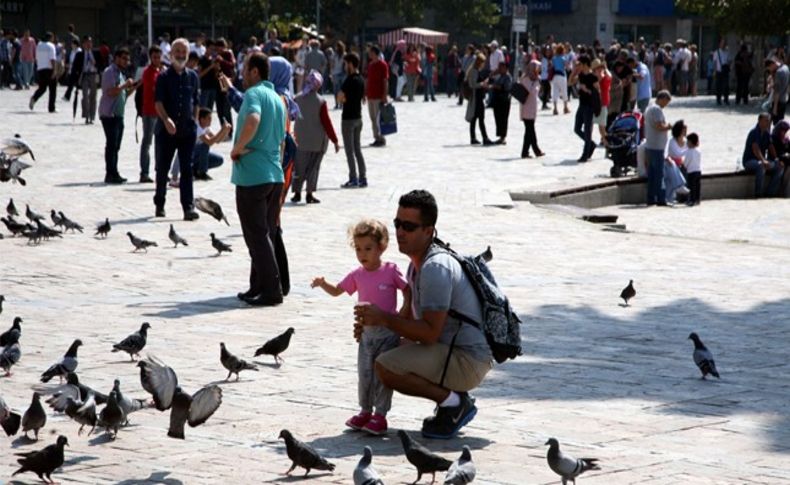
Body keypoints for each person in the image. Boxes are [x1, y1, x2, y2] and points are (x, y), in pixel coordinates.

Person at [353, 190, 493, 440]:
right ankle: (451, 401)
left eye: (409, 226)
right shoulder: (416, 264)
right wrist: (373, 329)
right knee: (383, 351)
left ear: (428, 231)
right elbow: (410, 327)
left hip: (467, 360)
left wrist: (383, 318)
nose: (400, 232)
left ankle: (455, 403)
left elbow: (429, 333)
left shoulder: (434, 269)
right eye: (397, 223)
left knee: (386, 366)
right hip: (452, 350)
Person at [312, 219, 410, 436]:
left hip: (388, 333)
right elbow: (338, 290)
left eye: (368, 248)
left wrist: (403, 316)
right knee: (364, 373)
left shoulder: (391, 270)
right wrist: (323, 283)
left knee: (382, 374)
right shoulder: (357, 274)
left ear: (382, 247)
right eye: (358, 249)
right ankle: (365, 410)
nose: (362, 254)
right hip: (366, 334)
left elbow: (408, 290)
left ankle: (380, 415)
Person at [231, 52, 286, 307]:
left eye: (245, 69)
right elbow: (283, 140)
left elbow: (252, 121)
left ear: (255, 71)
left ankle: (272, 290)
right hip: (274, 175)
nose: (242, 74)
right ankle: (259, 285)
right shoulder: (277, 98)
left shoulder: (254, 94)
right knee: (265, 233)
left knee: (256, 235)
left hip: (253, 176)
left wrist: (237, 148)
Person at [153, 38, 200, 220]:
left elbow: (196, 100)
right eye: (177, 52)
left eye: (184, 52)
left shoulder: (193, 77)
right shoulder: (164, 77)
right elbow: (158, 103)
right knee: (163, 168)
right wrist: (166, 120)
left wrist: (194, 120)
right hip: (167, 131)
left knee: (187, 169)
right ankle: (160, 203)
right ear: (171, 54)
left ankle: (188, 208)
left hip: (187, 131)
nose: (180, 55)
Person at [291, 70, 339, 204]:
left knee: (299, 167)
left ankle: (297, 193)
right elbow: (327, 123)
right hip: (317, 142)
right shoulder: (321, 101)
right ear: (318, 85)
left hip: (299, 140)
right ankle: (309, 194)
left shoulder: (297, 98)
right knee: (313, 168)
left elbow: (291, 116)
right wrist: (335, 140)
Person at [98, 48, 136, 184]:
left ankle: (114, 172)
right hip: (109, 114)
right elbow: (110, 92)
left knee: (116, 146)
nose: (127, 62)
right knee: (111, 145)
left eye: (128, 59)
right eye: (124, 59)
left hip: (119, 115)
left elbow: (123, 94)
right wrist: (125, 85)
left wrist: (135, 86)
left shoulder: (120, 73)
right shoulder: (109, 72)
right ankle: (110, 173)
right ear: (117, 58)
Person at [339, 52, 367, 188]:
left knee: (349, 151)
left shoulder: (348, 80)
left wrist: (343, 98)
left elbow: (340, 98)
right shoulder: (361, 79)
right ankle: (363, 177)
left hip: (348, 119)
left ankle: (353, 178)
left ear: (350, 64)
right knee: (357, 149)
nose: (345, 66)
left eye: (346, 63)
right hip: (358, 118)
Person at [742, 112, 783, 198]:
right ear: (760, 121)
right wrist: (763, 160)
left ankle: (770, 193)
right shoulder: (754, 132)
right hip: (749, 161)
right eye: (766, 121)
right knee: (761, 166)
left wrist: (776, 159)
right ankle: (758, 194)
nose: (768, 123)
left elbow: (770, 146)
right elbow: (755, 148)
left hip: (761, 160)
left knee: (780, 167)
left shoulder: (767, 133)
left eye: (769, 121)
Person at [139, 45, 163, 184]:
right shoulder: (148, 72)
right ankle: (144, 172)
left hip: (159, 113)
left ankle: (160, 171)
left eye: (159, 57)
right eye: (154, 57)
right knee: (147, 142)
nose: (157, 59)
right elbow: (155, 89)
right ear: (150, 58)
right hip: (149, 112)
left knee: (160, 143)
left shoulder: (160, 71)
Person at [644, 90, 672, 206]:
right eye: (666, 102)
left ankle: (651, 198)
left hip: (650, 145)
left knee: (652, 174)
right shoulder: (656, 109)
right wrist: (669, 126)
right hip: (656, 147)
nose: (666, 105)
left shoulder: (649, 107)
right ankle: (661, 198)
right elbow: (658, 126)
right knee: (659, 174)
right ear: (662, 98)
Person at [569, 55, 598, 162]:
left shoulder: (592, 76)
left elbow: (597, 91)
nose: (578, 66)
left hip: (589, 106)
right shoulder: (580, 75)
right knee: (576, 129)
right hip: (581, 105)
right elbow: (570, 82)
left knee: (587, 131)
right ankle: (591, 144)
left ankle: (585, 154)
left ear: (585, 64)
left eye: (579, 64)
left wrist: (587, 90)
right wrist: (573, 72)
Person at [465, 53, 492, 146]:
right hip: (476, 97)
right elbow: (472, 84)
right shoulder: (474, 71)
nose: (483, 64)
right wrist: (482, 84)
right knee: (480, 118)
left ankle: (474, 138)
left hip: (478, 97)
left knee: (476, 118)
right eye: (482, 62)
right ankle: (484, 138)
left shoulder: (475, 70)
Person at [520, 59, 544, 158]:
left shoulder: (537, 79)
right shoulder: (526, 79)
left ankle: (531, 150)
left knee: (529, 130)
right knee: (530, 130)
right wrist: (535, 81)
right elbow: (529, 91)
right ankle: (530, 151)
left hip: (533, 107)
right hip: (526, 107)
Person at [366, 45, 389, 147]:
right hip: (370, 95)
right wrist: (365, 93)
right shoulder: (370, 65)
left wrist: (384, 95)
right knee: (372, 118)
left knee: (379, 118)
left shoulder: (383, 65)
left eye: (370, 52)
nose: (369, 54)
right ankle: (376, 137)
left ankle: (381, 138)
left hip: (378, 95)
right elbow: (368, 80)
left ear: (375, 53)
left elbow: (385, 81)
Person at [29, 32, 58, 113]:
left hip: (40, 69)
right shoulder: (51, 46)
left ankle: (34, 98)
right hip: (49, 69)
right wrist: (55, 70)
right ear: (51, 38)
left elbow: (37, 58)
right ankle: (51, 108)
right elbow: (52, 59)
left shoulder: (39, 45)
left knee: (42, 88)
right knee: (52, 89)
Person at [666, 120, 689, 203]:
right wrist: (689, 149)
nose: (685, 132)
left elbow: (686, 156)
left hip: (682, 163)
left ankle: (685, 196)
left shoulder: (686, 141)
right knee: (677, 167)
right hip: (672, 163)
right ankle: (680, 190)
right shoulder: (672, 141)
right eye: (683, 130)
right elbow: (677, 154)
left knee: (688, 169)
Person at [77, 36, 99, 124]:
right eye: (86, 42)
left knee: (93, 96)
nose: (89, 44)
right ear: (83, 44)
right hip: (85, 75)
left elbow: (101, 63)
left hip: (93, 75)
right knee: (85, 96)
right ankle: (86, 116)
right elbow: (76, 66)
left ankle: (92, 116)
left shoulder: (96, 53)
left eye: (90, 42)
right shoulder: (80, 54)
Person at [489, 62, 512, 145]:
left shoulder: (508, 77)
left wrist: (495, 86)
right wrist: (492, 74)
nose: (500, 69)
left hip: (504, 100)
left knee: (503, 119)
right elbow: (490, 80)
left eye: (501, 67)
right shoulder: (499, 76)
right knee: (497, 118)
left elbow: (507, 87)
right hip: (497, 100)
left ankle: (503, 137)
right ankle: (500, 136)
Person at [592, 59, 611, 146]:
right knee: (591, 126)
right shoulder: (593, 79)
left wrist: (605, 68)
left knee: (601, 128)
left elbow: (610, 77)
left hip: (602, 104)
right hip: (594, 104)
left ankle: (607, 143)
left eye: (601, 68)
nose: (600, 69)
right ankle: (590, 143)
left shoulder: (604, 77)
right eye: (598, 68)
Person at [765, 57, 788, 125]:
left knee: (774, 123)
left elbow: (777, 91)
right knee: (780, 122)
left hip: (778, 102)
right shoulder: (785, 67)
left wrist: (775, 107)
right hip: (784, 99)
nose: (770, 70)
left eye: (769, 68)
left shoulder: (778, 72)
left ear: (772, 64)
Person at [551, 44, 570, 115]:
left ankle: (555, 109)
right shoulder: (563, 58)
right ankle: (565, 108)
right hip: (562, 75)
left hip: (555, 76)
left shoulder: (554, 58)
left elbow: (552, 66)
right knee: (564, 91)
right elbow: (567, 67)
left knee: (555, 92)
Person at [684, 132, 702, 205]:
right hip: (698, 170)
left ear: (691, 142)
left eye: (687, 142)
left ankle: (692, 200)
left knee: (691, 187)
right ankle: (697, 199)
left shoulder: (689, 151)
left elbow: (686, 162)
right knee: (697, 186)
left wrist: (684, 166)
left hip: (691, 172)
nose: (687, 143)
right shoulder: (698, 151)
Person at [714, 39, 730, 105]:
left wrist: (728, 66)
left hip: (725, 71)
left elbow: (729, 61)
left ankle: (726, 99)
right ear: (719, 44)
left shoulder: (727, 52)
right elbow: (715, 62)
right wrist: (715, 71)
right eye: (722, 43)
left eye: (724, 43)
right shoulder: (716, 52)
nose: (723, 45)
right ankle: (718, 99)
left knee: (726, 86)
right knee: (719, 86)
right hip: (719, 71)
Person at [331, 41, 347, 108]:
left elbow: (332, 65)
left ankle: (338, 104)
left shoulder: (335, 55)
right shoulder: (344, 54)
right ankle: (341, 103)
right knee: (341, 90)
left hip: (336, 73)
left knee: (336, 90)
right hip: (342, 74)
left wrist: (331, 73)